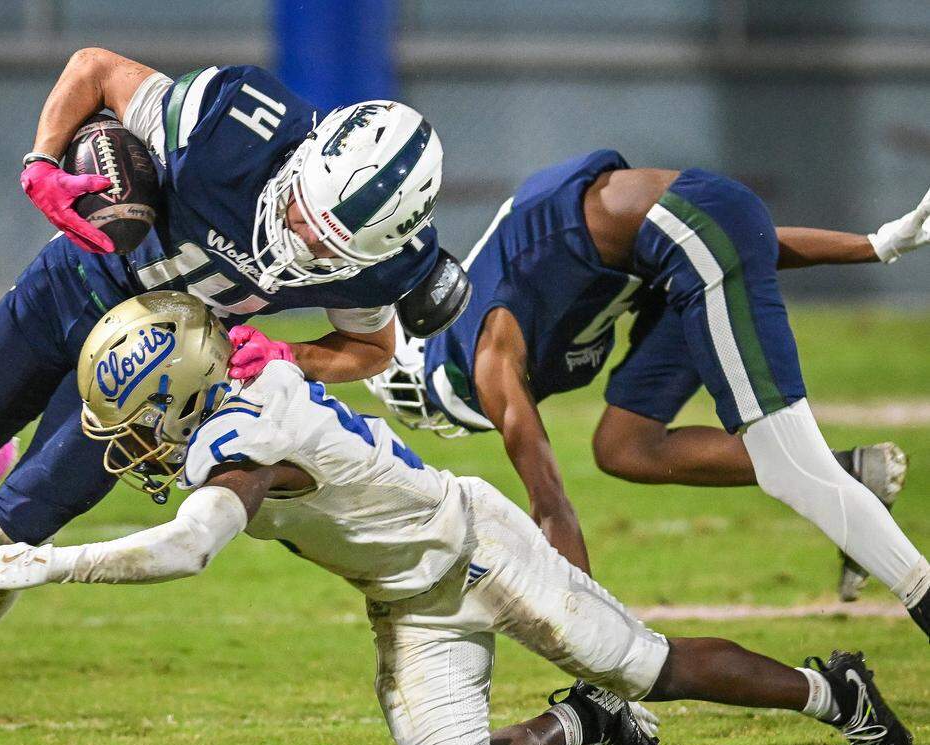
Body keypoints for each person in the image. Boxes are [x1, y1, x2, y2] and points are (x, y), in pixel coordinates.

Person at [0, 292, 910, 745]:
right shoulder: (229, 379)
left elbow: (190, 547)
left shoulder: (243, 434)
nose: (122, 438)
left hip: (473, 547)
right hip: (408, 594)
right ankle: (583, 723)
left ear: (185, 394)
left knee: (657, 664)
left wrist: (47, 562)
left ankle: (837, 692)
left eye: (135, 414)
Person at [0, 50, 447, 745]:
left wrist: (290, 355)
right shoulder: (235, 123)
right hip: (76, 280)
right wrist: (43, 161)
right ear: (306, 159)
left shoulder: (392, 261)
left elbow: (372, 351)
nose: (304, 239)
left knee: (19, 525)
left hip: (167, 366)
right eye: (305, 214)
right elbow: (94, 69)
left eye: (331, 245)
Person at [365, 151, 930, 628]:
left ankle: (918, 590)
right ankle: (851, 472)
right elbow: (721, 231)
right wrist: (877, 244)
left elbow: (551, 505)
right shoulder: (498, 290)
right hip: (688, 249)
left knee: (794, 469)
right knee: (624, 445)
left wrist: (597, 644)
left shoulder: (490, 348)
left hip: (693, 240)